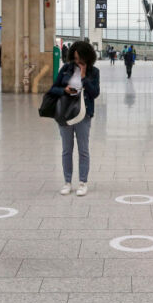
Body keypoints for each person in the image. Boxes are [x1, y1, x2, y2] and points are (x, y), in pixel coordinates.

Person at [49, 41, 100, 197]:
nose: (78, 62)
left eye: (81, 58)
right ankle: (67, 182)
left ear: (88, 57)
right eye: (75, 58)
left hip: (83, 114)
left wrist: (84, 77)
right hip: (65, 113)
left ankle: (83, 182)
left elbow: (95, 93)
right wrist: (64, 89)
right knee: (66, 149)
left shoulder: (94, 72)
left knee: (83, 150)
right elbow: (53, 89)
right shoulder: (66, 69)